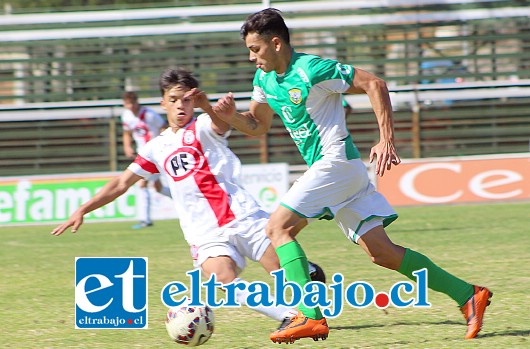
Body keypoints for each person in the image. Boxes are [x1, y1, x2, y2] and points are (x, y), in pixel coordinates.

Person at [212, 8, 492, 344]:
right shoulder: (264, 80)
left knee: (277, 228)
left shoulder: (311, 69)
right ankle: (467, 294)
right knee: (382, 253)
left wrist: (386, 138)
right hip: (338, 173)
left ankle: (311, 316)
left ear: (275, 43)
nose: (250, 57)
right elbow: (257, 126)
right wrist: (228, 117)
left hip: (336, 163)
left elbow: (374, 83)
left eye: (255, 49)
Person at [51, 67, 324, 326]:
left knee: (284, 274)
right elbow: (122, 183)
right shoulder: (155, 148)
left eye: (186, 100)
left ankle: (306, 273)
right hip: (205, 234)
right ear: (163, 103)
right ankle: (289, 317)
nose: (180, 106)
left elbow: (221, 122)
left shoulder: (204, 125)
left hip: (242, 216)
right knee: (223, 280)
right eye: (174, 100)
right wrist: (83, 209)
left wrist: (208, 106)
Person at [121, 91, 170, 229]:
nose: (130, 106)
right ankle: (182, 200)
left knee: (142, 184)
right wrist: (127, 146)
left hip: (155, 154)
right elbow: (127, 133)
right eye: (127, 104)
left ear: (137, 102)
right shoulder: (126, 116)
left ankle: (145, 220)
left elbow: (163, 128)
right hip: (142, 154)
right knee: (158, 188)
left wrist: (164, 145)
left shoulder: (149, 114)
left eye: (132, 103)